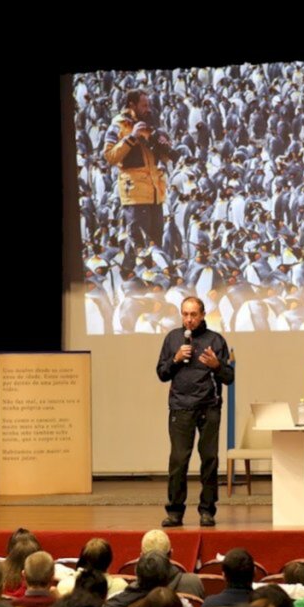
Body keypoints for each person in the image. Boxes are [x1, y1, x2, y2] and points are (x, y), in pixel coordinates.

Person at [155, 295, 234, 528]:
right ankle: (175, 512)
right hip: (180, 407)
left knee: (209, 459)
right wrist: (176, 358)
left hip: (209, 406)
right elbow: (162, 373)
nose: (189, 319)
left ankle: (207, 510)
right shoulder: (172, 339)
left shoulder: (215, 340)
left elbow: (229, 377)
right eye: (185, 314)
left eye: (193, 315)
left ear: (202, 315)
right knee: (178, 460)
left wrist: (216, 366)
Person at [103, 88, 173, 247]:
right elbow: (109, 156)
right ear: (132, 105)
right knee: (141, 249)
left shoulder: (149, 124)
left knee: (156, 247)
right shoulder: (118, 125)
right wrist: (132, 137)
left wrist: (165, 148)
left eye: (148, 105)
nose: (148, 109)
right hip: (135, 196)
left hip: (155, 193)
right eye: (144, 105)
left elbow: (160, 159)